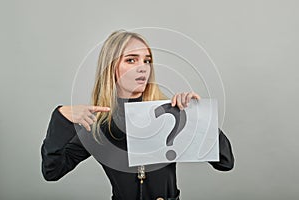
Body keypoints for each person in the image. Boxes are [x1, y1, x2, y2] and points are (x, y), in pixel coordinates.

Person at [41, 30, 234, 200]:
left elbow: (225, 162)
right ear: (111, 68)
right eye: (131, 60)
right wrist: (60, 116)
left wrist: (196, 116)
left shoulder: (170, 113)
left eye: (147, 60)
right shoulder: (97, 127)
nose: (143, 67)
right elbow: (52, 171)